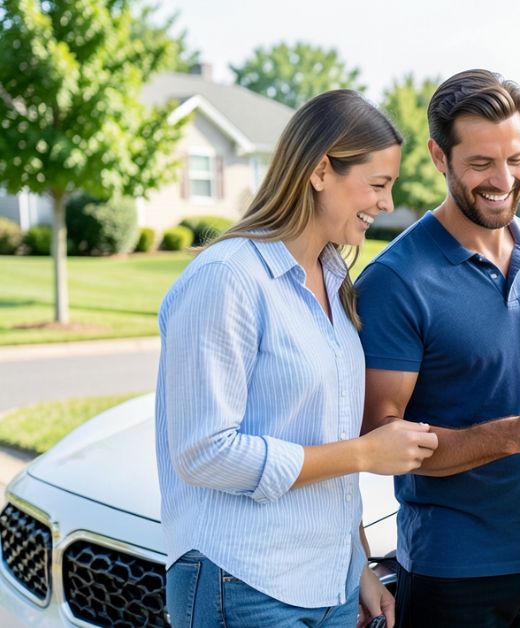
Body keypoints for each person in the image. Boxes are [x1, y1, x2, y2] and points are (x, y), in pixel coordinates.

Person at [156, 90, 438, 628]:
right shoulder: (229, 279)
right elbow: (204, 452)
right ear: (319, 172)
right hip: (240, 581)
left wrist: (358, 567)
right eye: (378, 184)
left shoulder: (336, 281)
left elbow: (324, 433)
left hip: (326, 583)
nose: (386, 203)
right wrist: (363, 453)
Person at [355, 69, 520, 628]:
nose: (503, 179)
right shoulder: (396, 280)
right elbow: (380, 439)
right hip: (453, 574)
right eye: (481, 163)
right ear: (439, 158)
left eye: (515, 159)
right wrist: (515, 435)